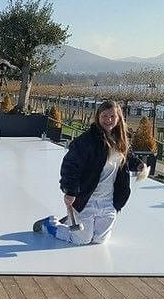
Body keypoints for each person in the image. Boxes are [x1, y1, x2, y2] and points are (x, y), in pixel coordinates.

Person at [34, 100, 145, 245]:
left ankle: (72, 220)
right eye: (104, 116)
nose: (108, 120)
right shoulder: (86, 142)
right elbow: (70, 166)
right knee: (81, 240)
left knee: (99, 240)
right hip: (87, 199)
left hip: (109, 201)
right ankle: (50, 224)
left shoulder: (120, 140)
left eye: (112, 116)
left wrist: (138, 165)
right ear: (98, 117)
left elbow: (126, 158)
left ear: (118, 118)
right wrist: (70, 191)